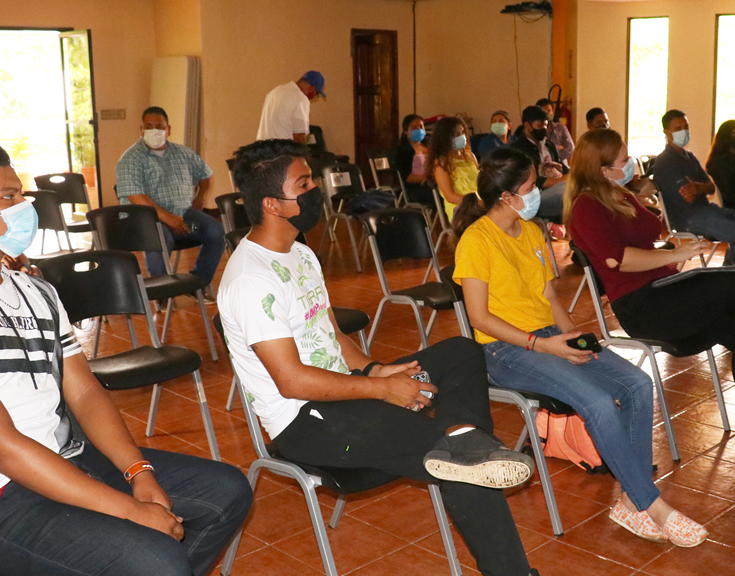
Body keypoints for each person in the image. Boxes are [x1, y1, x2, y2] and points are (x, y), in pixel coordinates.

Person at [0, 140, 252, 576]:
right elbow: (2, 448)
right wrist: (129, 511)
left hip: (65, 458)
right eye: (9, 197)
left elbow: (83, 389)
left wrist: (138, 471)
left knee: (227, 491)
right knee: (156, 561)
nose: (25, 206)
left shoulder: (33, 289)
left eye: (21, 193)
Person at [219, 139, 540, 576]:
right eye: (305, 183)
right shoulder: (250, 280)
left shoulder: (300, 253)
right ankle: (471, 459)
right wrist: (382, 389)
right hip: (306, 421)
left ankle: (465, 434)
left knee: (463, 352)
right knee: (463, 465)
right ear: (274, 204)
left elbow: (330, 333)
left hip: (349, 392)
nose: (318, 190)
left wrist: (374, 368)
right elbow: (292, 381)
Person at [452, 146, 707, 548]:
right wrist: (544, 345)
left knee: (637, 384)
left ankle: (629, 500)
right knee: (599, 402)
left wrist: (574, 337)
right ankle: (651, 504)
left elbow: (550, 295)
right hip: (504, 350)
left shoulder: (532, 232)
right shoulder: (476, 240)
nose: (539, 193)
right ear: (506, 196)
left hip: (548, 334)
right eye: (532, 186)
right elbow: (479, 319)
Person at [566, 129, 735, 462]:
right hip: (643, 308)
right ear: (602, 168)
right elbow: (616, 260)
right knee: (733, 284)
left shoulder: (616, 192)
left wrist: (672, 251)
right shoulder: (586, 206)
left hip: (663, 292)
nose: (630, 163)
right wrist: (675, 256)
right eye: (623, 160)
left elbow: (648, 233)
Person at [654, 109, 735, 288]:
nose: (684, 132)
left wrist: (699, 187)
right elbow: (689, 198)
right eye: (678, 128)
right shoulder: (665, 162)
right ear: (666, 132)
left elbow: (710, 187)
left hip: (707, 210)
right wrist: (699, 189)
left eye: (686, 127)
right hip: (687, 218)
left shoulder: (689, 157)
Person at [115, 106, 222, 291]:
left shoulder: (183, 153)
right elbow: (135, 195)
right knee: (159, 238)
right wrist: (167, 218)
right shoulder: (130, 158)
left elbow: (206, 174)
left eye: (159, 126)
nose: (154, 131)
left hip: (183, 218)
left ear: (169, 129)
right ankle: (163, 292)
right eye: (148, 127)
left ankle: (198, 284)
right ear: (141, 129)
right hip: (147, 222)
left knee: (215, 231)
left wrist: (200, 198)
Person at [509, 105, 568, 222]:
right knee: (566, 188)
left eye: (546, 125)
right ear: (527, 126)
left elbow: (563, 168)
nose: (544, 129)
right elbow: (529, 180)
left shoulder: (549, 145)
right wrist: (562, 181)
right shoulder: (518, 149)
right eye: (540, 126)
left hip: (557, 189)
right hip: (534, 197)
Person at [428, 116, 480, 224]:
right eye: (456, 135)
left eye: (462, 133)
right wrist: (476, 203)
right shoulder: (441, 163)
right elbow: (450, 196)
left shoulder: (470, 156)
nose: (462, 137)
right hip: (460, 209)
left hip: (479, 203)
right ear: (445, 138)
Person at [256, 70, 325, 143]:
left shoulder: (275, 92)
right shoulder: (301, 99)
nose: (314, 97)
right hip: (282, 150)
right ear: (312, 89)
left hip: (262, 148)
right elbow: (300, 136)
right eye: (316, 94)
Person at [395, 114, 433, 205]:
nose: (419, 130)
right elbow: (407, 177)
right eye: (414, 127)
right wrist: (428, 179)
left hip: (432, 183)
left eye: (421, 126)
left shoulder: (429, 146)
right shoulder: (404, 150)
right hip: (415, 188)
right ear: (406, 131)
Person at [536, 98, 575, 163]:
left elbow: (570, 148)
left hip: (561, 166)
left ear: (553, 111)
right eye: (544, 112)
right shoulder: (534, 130)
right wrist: (558, 149)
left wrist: (553, 157)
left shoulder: (561, 128)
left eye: (549, 111)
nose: (547, 114)